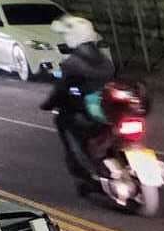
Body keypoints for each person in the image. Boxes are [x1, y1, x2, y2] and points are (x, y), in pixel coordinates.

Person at [40, 16, 114, 188]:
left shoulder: (72, 64)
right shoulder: (106, 61)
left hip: (89, 114)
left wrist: (48, 104)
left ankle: (80, 167)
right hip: (109, 110)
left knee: (63, 120)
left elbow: (60, 89)